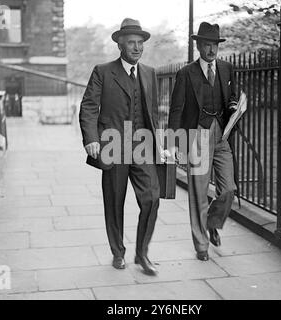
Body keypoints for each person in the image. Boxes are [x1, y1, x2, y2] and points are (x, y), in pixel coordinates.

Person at [79, 18, 161, 275]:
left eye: (140, 43)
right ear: (120, 45)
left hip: (142, 147)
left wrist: (162, 145)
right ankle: (118, 252)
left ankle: (142, 253)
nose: (137, 48)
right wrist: (91, 138)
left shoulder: (149, 73)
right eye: (131, 43)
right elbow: (89, 107)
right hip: (113, 146)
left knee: (152, 198)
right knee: (114, 203)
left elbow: (153, 113)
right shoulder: (103, 72)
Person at [168, 22, 238, 261]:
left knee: (228, 188)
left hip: (222, 135)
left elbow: (232, 97)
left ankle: (213, 222)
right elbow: (176, 109)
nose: (211, 50)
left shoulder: (227, 69)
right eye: (207, 45)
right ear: (198, 46)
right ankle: (201, 245)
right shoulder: (186, 73)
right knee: (198, 192)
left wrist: (233, 106)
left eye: (214, 45)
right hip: (197, 134)